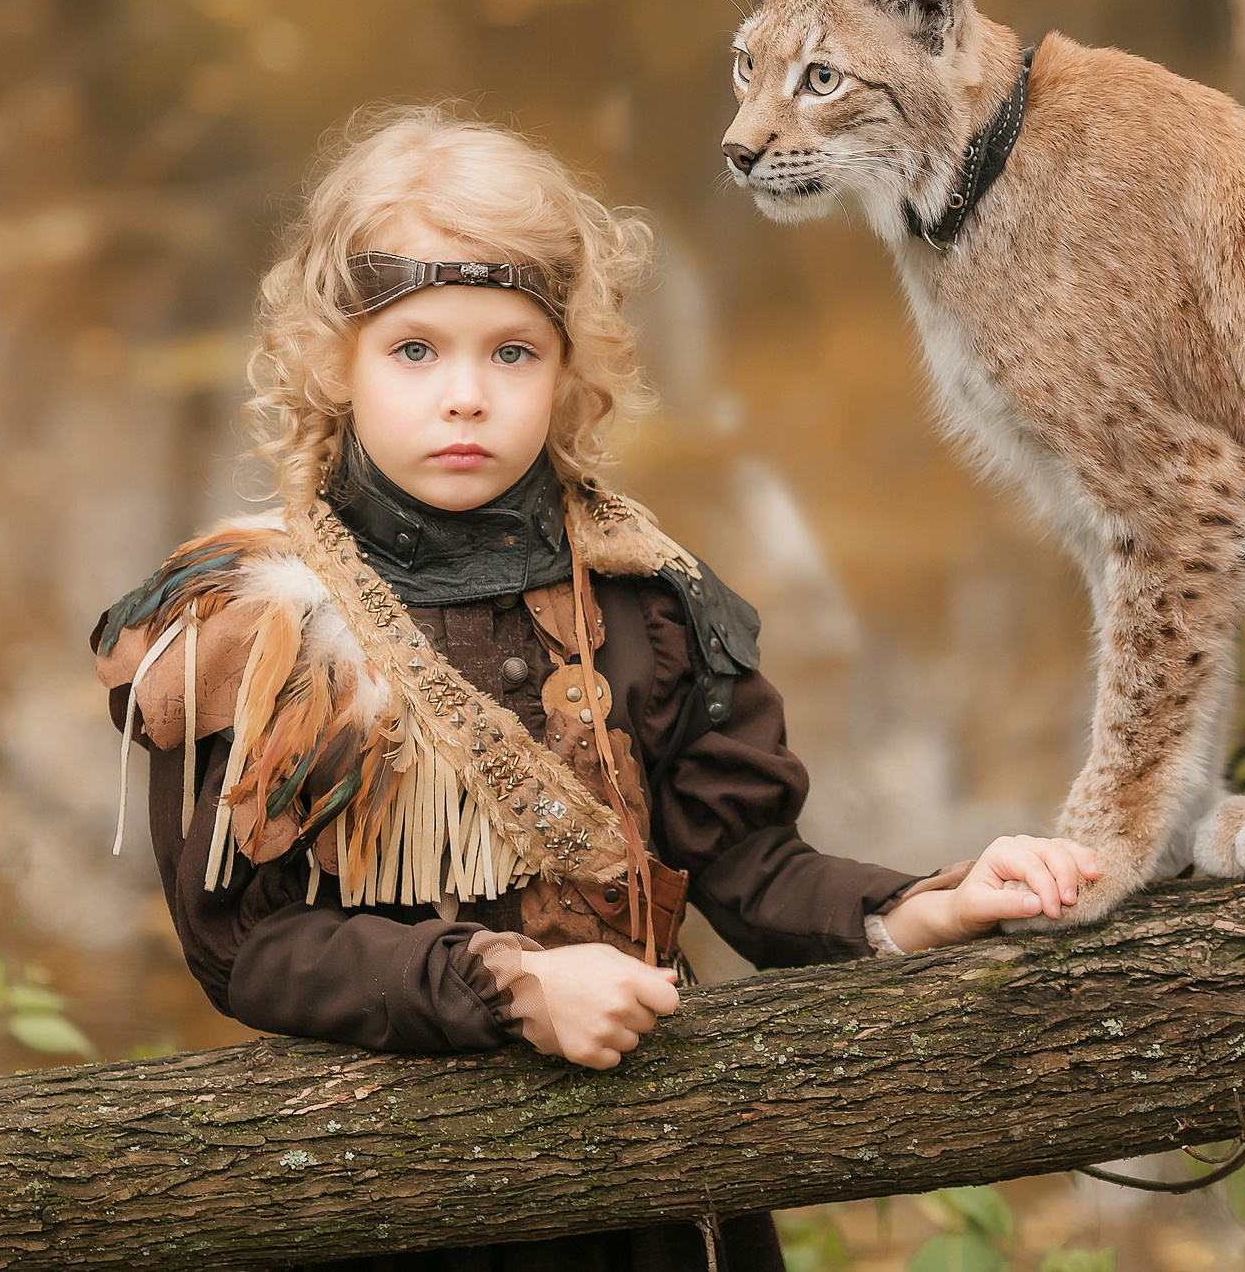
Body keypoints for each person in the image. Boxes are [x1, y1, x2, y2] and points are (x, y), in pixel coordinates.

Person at [94, 108, 1102, 1272]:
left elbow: (747, 867)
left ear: (569, 368)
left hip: (646, 1194)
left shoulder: (649, 601)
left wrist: (914, 910)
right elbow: (250, 951)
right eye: (414, 349)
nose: (465, 395)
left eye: (510, 351)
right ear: (335, 361)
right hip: (395, 1190)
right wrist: (508, 986)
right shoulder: (249, 622)